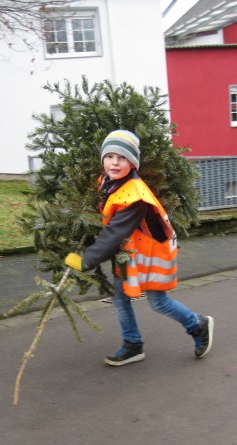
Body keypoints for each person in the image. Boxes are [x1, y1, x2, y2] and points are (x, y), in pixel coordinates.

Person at [65, 130, 214, 366]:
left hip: (152, 254)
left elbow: (115, 231)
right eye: (110, 156)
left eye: (122, 157)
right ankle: (133, 344)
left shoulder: (134, 196)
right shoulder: (107, 181)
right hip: (131, 252)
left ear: (133, 163)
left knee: (158, 302)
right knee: (120, 297)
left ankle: (197, 325)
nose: (114, 162)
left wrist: (87, 261)